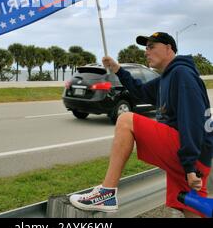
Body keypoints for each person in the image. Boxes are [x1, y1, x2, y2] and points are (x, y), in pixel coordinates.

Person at [70, 32, 213, 218]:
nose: (146, 52)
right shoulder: (167, 78)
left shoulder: (181, 74)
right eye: (146, 48)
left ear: (169, 48)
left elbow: (192, 120)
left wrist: (190, 166)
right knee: (192, 209)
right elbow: (140, 91)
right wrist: (118, 69)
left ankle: (107, 194)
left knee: (126, 120)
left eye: (152, 47)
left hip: (191, 154)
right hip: (192, 155)